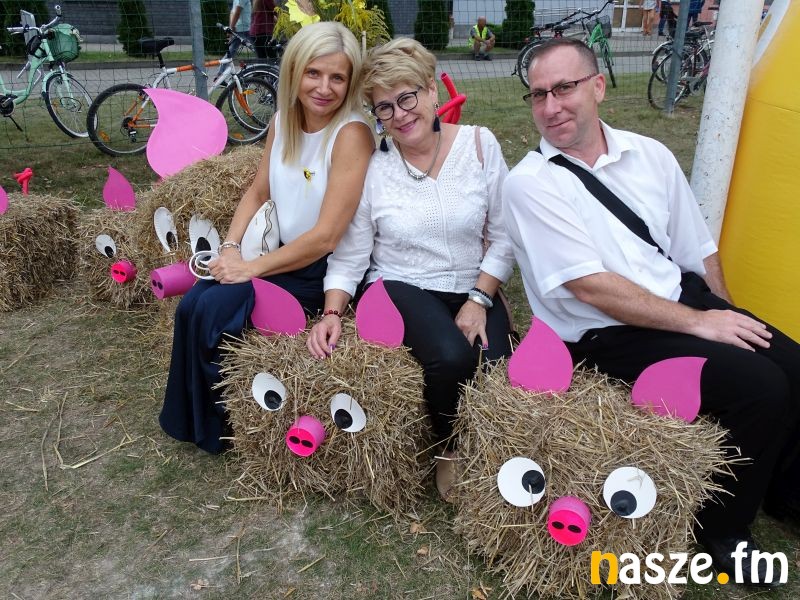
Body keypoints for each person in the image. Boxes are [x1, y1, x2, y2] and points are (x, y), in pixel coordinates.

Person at [502, 37, 800, 585]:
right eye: (539, 95)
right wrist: (702, 325)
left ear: (598, 87)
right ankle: (723, 531)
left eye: (564, 88)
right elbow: (590, 288)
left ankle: (784, 493)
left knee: (793, 365)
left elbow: (697, 250)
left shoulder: (650, 154)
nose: (551, 106)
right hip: (603, 334)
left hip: (681, 301)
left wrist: (725, 314)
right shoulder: (529, 183)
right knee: (761, 387)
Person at [307, 38, 515, 500]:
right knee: (452, 357)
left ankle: (494, 451)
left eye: (407, 98)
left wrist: (479, 300)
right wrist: (333, 312)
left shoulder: (479, 144)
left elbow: (505, 236)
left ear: (432, 91)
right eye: (384, 107)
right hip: (401, 283)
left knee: (498, 366)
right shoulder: (375, 168)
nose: (399, 115)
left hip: (472, 283)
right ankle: (448, 448)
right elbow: (352, 253)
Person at [159, 22, 373, 454]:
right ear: (294, 71)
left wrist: (249, 269)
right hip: (279, 256)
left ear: (350, 83)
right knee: (193, 304)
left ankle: (224, 428)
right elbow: (258, 191)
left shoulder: (351, 134)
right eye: (314, 73)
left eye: (337, 77)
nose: (324, 88)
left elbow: (326, 237)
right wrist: (229, 248)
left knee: (215, 310)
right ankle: (191, 420)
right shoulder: (283, 122)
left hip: (318, 269)